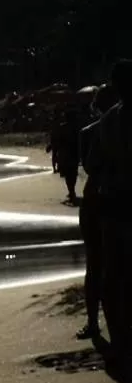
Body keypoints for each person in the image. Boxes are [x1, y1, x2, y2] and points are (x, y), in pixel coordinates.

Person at [89, 59, 132, 369]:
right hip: (120, 202)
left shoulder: (107, 122)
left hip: (115, 202)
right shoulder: (109, 122)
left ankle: (119, 339)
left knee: (113, 274)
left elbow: (93, 165)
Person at [76, 86, 118, 339]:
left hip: (96, 199)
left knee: (95, 264)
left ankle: (93, 322)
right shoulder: (94, 132)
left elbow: (90, 167)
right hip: (111, 199)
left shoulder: (88, 133)